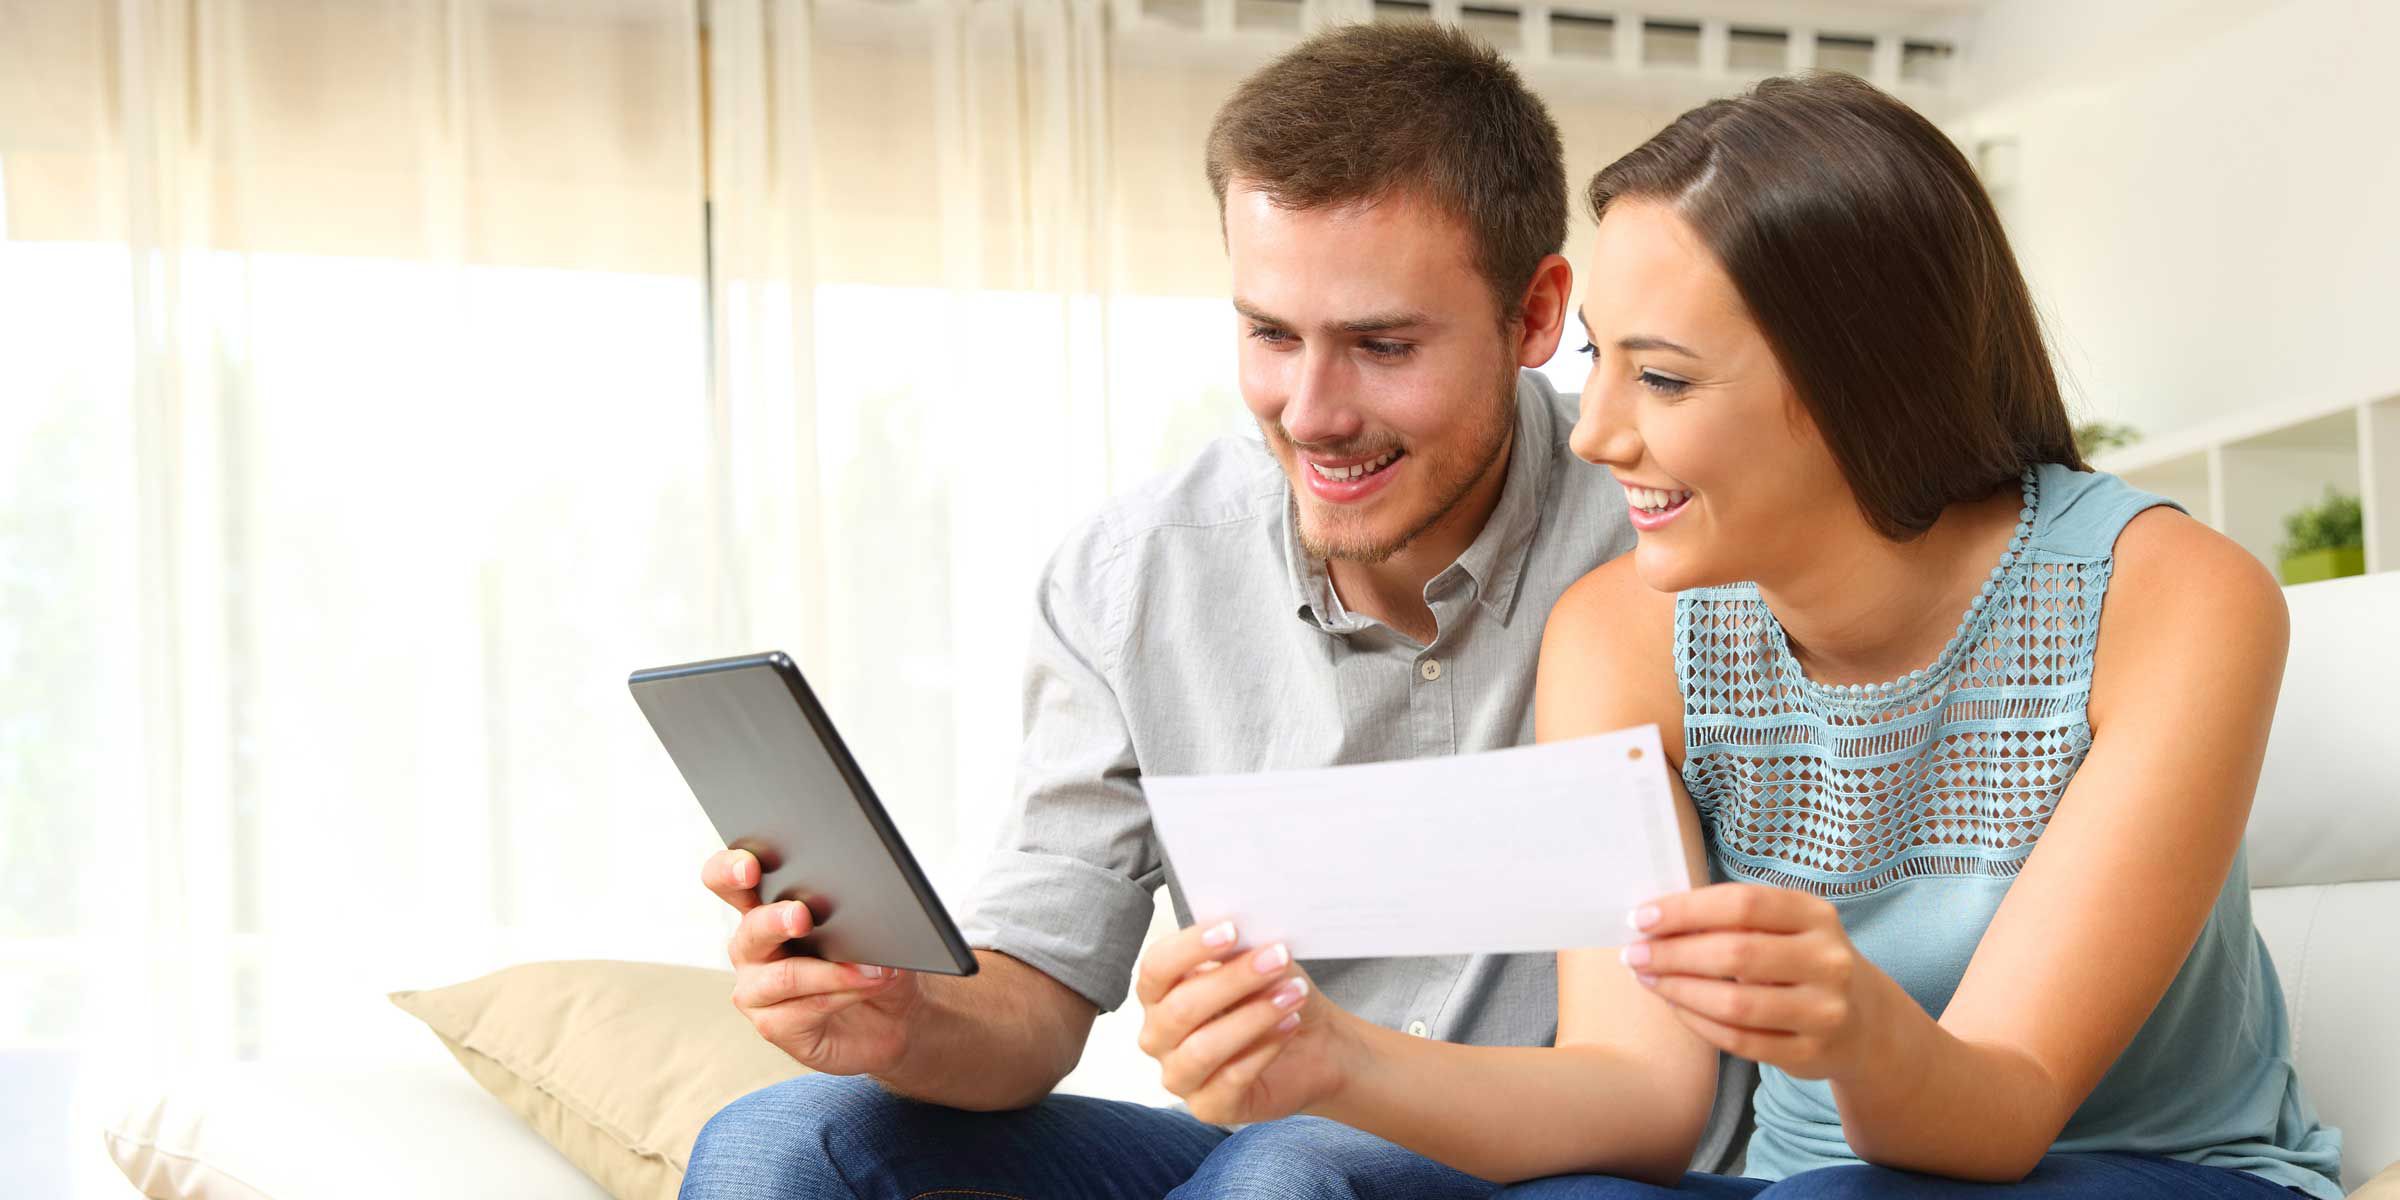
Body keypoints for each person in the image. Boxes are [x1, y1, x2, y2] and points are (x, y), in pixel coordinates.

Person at [1133, 71, 2346, 1199]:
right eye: (1601, 359)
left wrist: (1857, 1028)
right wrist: (1329, 1057)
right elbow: (1642, 1095)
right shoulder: (1622, 635)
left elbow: (2007, 1107)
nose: (1592, 434)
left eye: (1659, 380)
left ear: (1858, 383)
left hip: (2153, 1167)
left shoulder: (2171, 596)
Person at [678, 25, 1749, 1200]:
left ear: (1538, 314)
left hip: (1584, 1166)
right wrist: (903, 1015)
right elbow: (1032, 996)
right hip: (1276, 1153)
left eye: (1383, 345)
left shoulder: (1675, 527)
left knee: (1288, 1173)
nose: (1312, 411)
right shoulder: (1131, 581)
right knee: (785, 1140)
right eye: (1270, 335)